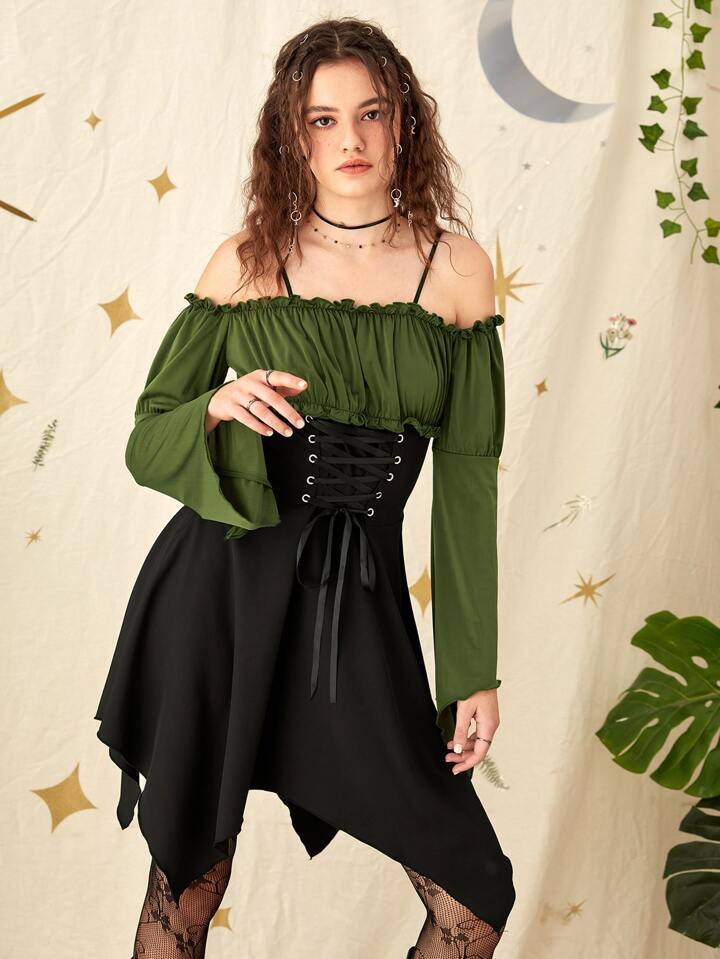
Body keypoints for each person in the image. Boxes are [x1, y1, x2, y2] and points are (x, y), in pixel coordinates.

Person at [94, 16, 516, 959]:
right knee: (189, 882)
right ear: (292, 134)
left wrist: (472, 671)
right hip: (223, 590)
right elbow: (147, 438)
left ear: (405, 122)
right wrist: (215, 405)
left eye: (371, 113)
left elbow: (467, 488)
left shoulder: (457, 270)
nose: (350, 139)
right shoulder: (245, 261)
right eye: (323, 119)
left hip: (359, 608)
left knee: (473, 898)